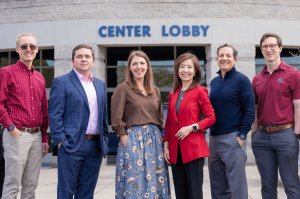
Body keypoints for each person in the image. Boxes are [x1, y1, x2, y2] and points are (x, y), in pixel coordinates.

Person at [48, 44, 109, 199]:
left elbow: (103, 116)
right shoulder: (61, 82)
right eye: (79, 56)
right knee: (66, 192)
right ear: (73, 60)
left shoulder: (100, 85)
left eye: (87, 56)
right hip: (71, 145)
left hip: (95, 146)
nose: (84, 59)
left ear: (93, 61)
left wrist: (105, 141)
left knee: (87, 193)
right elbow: (55, 115)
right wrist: (61, 141)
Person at [111, 50, 171, 199]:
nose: (139, 67)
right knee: (134, 183)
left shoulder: (155, 90)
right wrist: (125, 138)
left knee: (155, 182)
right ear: (130, 68)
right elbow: (116, 117)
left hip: (155, 142)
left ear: (148, 66)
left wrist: (164, 143)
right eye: (135, 63)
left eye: (142, 63)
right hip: (133, 140)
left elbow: (160, 119)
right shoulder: (123, 88)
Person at [0, 33, 49, 199]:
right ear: (17, 49)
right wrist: (11, 128)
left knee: (30, 186)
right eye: (24, 46)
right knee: (12, 185)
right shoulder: (6, 73)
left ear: (37, 50)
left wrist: (44, 138)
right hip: (16, 135)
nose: (28, 49)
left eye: (32, 46)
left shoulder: (40, 78)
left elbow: (44, 109)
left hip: (36, 137)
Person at [251, 33, 300, 198]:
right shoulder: (257, 79)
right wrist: (255, 134)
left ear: (280, 48)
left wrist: (296, 135)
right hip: (262, 137)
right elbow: (255, 110)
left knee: (291, 185)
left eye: (272, 46)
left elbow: (298, 107)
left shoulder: (293, 74)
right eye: (265, 46)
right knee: (267, 188)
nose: (268, 49)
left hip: (286, 134)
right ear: (262, 50)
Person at [163, 52, 216, 199]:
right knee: (180, 193)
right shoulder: (173, 94)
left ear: (195, 71)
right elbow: (168, 122)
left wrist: (192, 128)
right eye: (182, 67)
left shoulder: (200, 91)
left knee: (194, 193)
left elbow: (211, 118)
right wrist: (166, 146)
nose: (185, 70)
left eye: (189, 67)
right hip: (175, 150)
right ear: (177, 70)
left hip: (193, 150)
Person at [208, 43, 255, 199]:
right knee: (217, 187)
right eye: (221, 55)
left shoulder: (242, 81)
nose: (224, 58)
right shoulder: (214, 82)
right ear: (216, 59)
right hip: (214, 139)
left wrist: (241, 136)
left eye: (228, 56)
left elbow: (250, 111)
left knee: (237, 188)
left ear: (235, 60)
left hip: (233, 138)